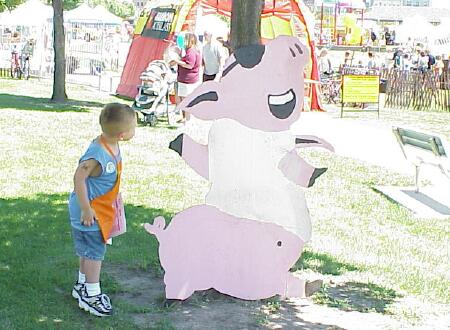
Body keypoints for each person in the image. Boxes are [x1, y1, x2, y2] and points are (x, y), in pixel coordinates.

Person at [69, 103, 136, 317]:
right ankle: (92, 294)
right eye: (134, 127)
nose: (136, 130)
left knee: (87, 250)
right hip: (90, 213)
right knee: (95, 253)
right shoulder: (98, 152)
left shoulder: (111, 143)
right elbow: (79, 177)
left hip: (100, 209)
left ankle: (81, 285)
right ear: (123, 134)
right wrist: (86, 209)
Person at [171, 32, 201, 122]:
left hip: (187, 80)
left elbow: (189, 65)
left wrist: (177, 61)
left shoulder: (191, 52)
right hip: (185, 79)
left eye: (185, 40)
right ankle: (185, 117)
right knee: (183, 99)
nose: (184, 42)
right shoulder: (191, 51)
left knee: (185, 100)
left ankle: (187, 119)